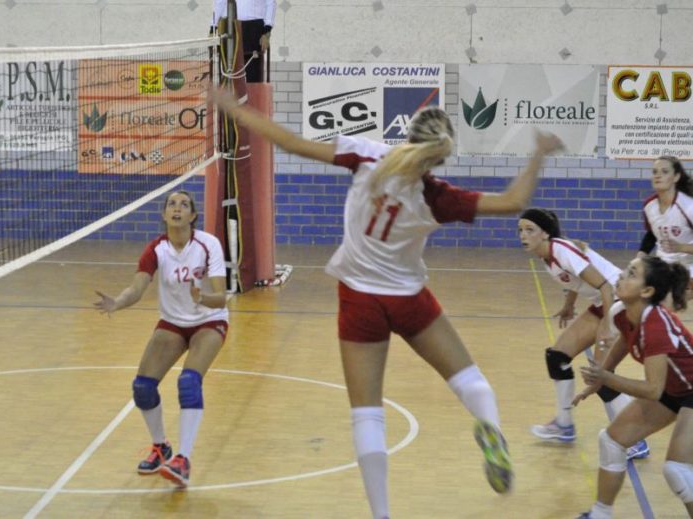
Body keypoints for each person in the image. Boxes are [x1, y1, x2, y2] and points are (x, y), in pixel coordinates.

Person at [209, 86, 563, 518]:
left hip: (359, 301)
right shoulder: (438, 197)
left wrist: (236, 110)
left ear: (407, 134)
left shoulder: (367, 156)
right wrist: (538, 153)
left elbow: (290, 142)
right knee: (469, 379)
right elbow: (514, 203)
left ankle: (381, 514)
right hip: (409, 298)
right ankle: (489, 426)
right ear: (439, 156)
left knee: (368, 414)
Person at [94, 190, 229, 488]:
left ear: (193, 215)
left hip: (209, 319)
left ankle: (183, 458)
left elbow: (221, 298)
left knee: (189, 382)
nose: (177, 208)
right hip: (173, 322)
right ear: (164, 214)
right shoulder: (156, 249)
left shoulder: (208, 244)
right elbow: (137, 289)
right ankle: (161, 447)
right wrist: (117, 302)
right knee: (142, 387)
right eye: (171, 204)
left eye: (184, 204)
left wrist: (201, 297)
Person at [518, 208, 649, 459]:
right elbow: (575, 280)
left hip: (619, 303)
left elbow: (605, 286)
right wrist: (569, 306)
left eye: (529, 230)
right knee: (557, 356)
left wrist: (608, 324)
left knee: (600, 375)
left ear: (545, 233)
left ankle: (635, 439)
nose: (523, 235)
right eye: (520, 230)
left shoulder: (561, 250)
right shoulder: (547, 255)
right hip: (602, 303)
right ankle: (564, 425)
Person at [574, 256, 693, 519]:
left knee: (677, 471)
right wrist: (599, 380)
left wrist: (605, 376)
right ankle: (600, 514)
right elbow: (624, 342)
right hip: (675, 389)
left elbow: (652, 390)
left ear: (647, 291)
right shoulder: (621, 312)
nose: (621, 275)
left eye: (631, 273)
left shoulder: (656, 325)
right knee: (612, 440)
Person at [638, 156, 693, 283]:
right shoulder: (649, 205)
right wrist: (641, 255)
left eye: (664, 171)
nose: (658, 176)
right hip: (664, 266)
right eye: (655, 172)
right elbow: (652, 233)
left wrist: (681, 247)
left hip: (689, 265)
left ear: (676, 177)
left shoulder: (688, 206)